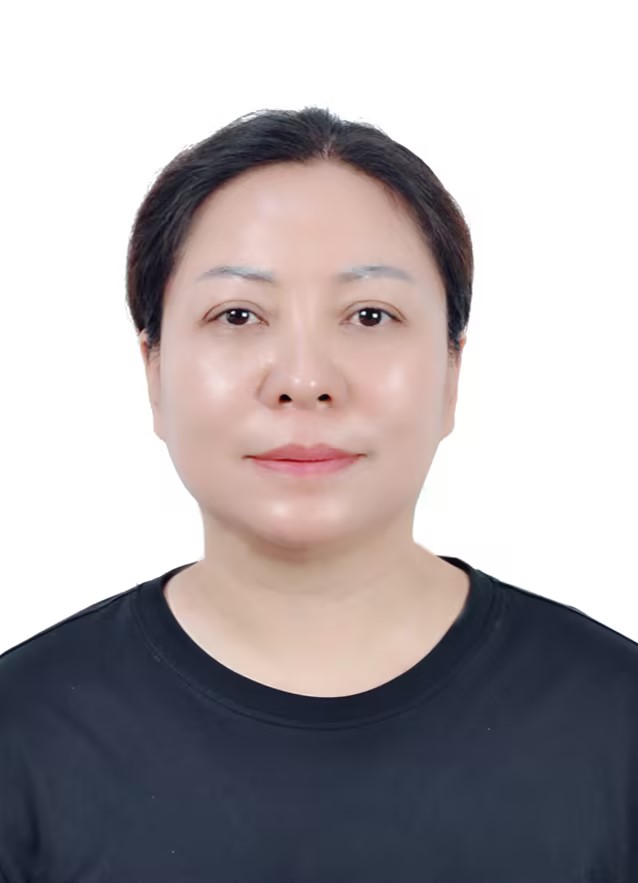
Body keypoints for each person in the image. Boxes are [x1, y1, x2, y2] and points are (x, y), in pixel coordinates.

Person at [0, 106, 636, 882]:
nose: (304, 380)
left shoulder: (617, 724)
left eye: (370, 315)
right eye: (238, 314)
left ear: (452, 372)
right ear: (154, 370)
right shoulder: (23, 737)